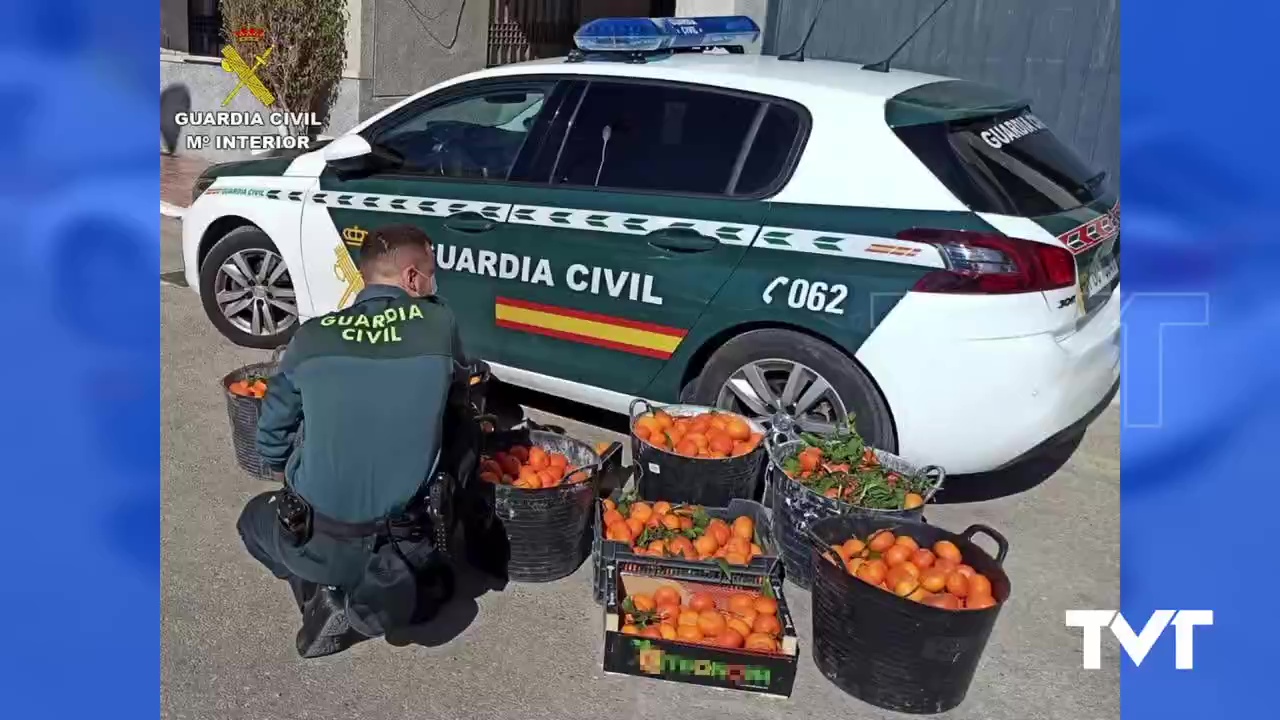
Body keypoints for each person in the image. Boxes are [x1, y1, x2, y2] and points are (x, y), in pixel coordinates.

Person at [236, 223, 472, 658]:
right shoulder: (439, 322)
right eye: (431, 271)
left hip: (319, 532)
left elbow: (271, 435)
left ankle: (320, 592)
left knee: (251, 520)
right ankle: (378, 592)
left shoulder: (311, 336)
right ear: (412, 279)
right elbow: (460, 393)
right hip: (407, 536)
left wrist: (293, 462)